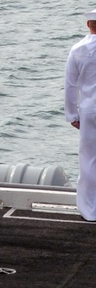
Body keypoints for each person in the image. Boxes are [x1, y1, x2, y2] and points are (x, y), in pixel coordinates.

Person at [64, 13, 96, 221]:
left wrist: (71, 114)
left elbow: (70, 85)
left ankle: (89, 210)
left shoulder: (77, 49)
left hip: (89, 109)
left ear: (88, 24)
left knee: (88, 159)